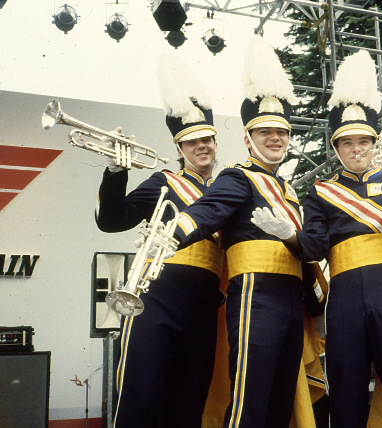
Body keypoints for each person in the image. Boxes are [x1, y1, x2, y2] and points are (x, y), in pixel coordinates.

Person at [251, 50, 382, 428]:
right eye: (347, 143)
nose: (357, 149)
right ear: (337, 149)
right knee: (345, 392)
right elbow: (315, 248)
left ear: (375, 142)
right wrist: (289, 236)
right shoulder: (321, 192)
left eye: (364, 141)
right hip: (343, 297)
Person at [171, 36, 324, 428]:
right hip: (256, 294)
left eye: (282, 133)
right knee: (249, 399)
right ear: (247, 139)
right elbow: (207, 210)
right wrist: (175, 232)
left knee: (279, 402)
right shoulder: (238, 177)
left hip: (292, 298)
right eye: (264, 133)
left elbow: (311, 248)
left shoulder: (290, 190)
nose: (275, 138)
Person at [95, 54, 224, 428]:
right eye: (191, 141)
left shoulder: (228, 188)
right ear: (179, 148)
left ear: (216, 144)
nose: (202, 146)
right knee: (142, 391)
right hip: (159, 291)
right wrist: (115, 172)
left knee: (191, 397)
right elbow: (112, 220)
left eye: (207, 140)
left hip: (204, 303)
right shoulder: (165, 181)